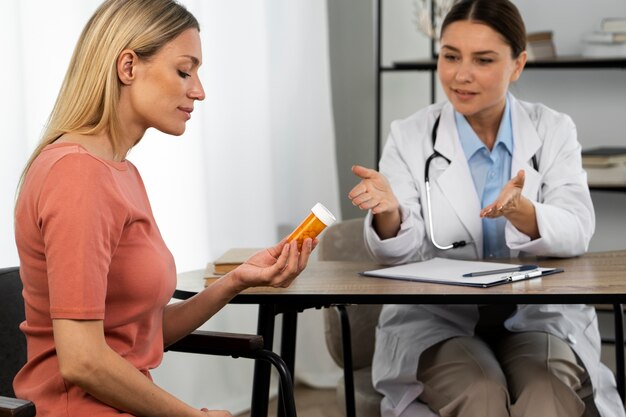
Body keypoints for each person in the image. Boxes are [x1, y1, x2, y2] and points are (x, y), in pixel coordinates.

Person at [13, 1, 315, 416]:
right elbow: (82, 360)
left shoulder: (119, 172)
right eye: (184, 70)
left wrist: (236, 281)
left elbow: (139, 334)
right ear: (128, 67)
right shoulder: (77, 175)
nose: (199, 90)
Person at [348, 1, 624, 416]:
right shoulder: (409, 136)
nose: (461, 74)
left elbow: (577, 228)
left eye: (483, 60)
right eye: (450, 56)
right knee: (480, 391)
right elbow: (399, 253)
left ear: (517, 65)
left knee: (545, 391)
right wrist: (389, 213)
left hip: (539, 315)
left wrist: (522, 212)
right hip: (437, 319)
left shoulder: (553, 129)